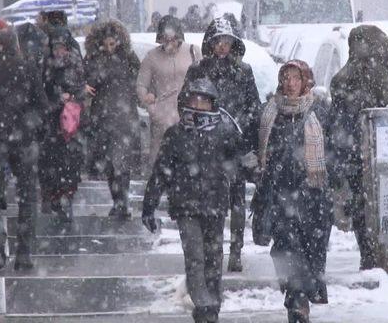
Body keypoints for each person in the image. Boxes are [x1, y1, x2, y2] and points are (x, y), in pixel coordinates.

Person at [141, 76, 243, 323]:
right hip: (186, 206)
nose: (198, 105)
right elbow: (161, 171)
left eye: (204, 101)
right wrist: (149, 205)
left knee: (213, 257)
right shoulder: (175, 135)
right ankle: (203, 302)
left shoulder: (225, 134)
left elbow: (236, 171)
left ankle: (211, 306)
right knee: (195, 256)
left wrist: (237, 198)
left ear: (213, 104)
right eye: (194, 99)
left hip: (215, 206)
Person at [256, 60, 334, 323]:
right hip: (279, 195)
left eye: (295, 78)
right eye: (286, 77)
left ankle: (302, 296)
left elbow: (335, 150)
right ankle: (296, 300)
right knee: (286, 249)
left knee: (311, 251)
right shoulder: (270, 112)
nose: (290, 83)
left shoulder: (319, 112)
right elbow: (257, 150)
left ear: (305, 82)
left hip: (313, 197)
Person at [184, 14, 261, 272]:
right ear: (210, 42)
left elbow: (254, 105)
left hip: (235, 144)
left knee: (237, 200)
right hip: (205, 145)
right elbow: (185, 103)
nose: (222, 46)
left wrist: (239, 123)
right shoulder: (198, 71)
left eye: (227, 41)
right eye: (218, 41)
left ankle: (236, 249)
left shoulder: (243, 71)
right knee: (209, 201)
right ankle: (212, 247)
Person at [0, 28, 48, 271]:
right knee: (27, 197)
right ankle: (24, 254)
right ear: (16, 46)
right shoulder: (29, 69)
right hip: (23, 140)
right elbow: (42, 105)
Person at [329, 25, 388, 270]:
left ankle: (367, 253)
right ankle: (379, 252)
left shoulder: (342, 76)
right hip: (375, 151)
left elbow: (338, 115)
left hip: (349, 150)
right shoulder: (377, 74)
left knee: (360, 205)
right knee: (382, 201)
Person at [84, 20, 141, 218]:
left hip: (124, 116)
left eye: (113, 44)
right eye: (106, 44)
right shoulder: (93, 58)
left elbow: (139, 80)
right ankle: (118, 200)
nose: (109, 48)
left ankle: (121, 202)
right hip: (103, 116)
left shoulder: (128, 57)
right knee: (110, 163)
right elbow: (85, 79)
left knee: (121, 162)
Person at [136, 15, 202, 169]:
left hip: (189, 114)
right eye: (166, 39)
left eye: (173, 39)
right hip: (162, 118)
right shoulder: (152, 57)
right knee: (160, 158)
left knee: (188, 156)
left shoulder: (193, 51)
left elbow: (203, 80)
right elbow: (141, 85)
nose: (170, 43)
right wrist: (151, 107)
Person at [38, 26, 86, 222]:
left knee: (70, 162)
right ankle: (54, 196)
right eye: (56, 47)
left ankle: (66, 195)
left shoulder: (75, 64)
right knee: (51, 161)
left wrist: (72, 96)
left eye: (62, 47)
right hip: (52, 121)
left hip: (70, 122)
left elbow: (82, 88)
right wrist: (57, 99)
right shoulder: (46, 65)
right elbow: (42, 90)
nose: (59, 51)